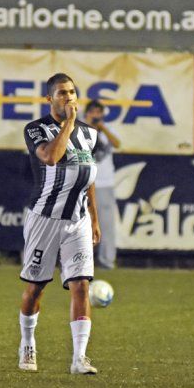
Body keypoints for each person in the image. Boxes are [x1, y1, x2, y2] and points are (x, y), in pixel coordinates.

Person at [18, 73, 101, 375]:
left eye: (72, 92)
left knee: (80, 285)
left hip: (77, 220)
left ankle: (80, 358)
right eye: (61, 93)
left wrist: (93, 217)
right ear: (49, 99)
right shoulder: (35, 129)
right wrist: (67, 123)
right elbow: (52, 157)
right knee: (36, 288)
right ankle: (28, 341)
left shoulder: (89, 134)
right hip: (45, 219)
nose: (68, 97)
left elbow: (87, 174)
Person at [82, 100, 121, 270]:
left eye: (99, 112)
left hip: (105, 183)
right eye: (93, 112)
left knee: (106, 225)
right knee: (80, 225)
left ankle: (107, 261)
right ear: (87, 113)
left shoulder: (108, 129)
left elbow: (117, 144)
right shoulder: (80, 128)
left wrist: (102, 128)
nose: (96, 115)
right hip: (84, 183)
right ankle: (80, 261)